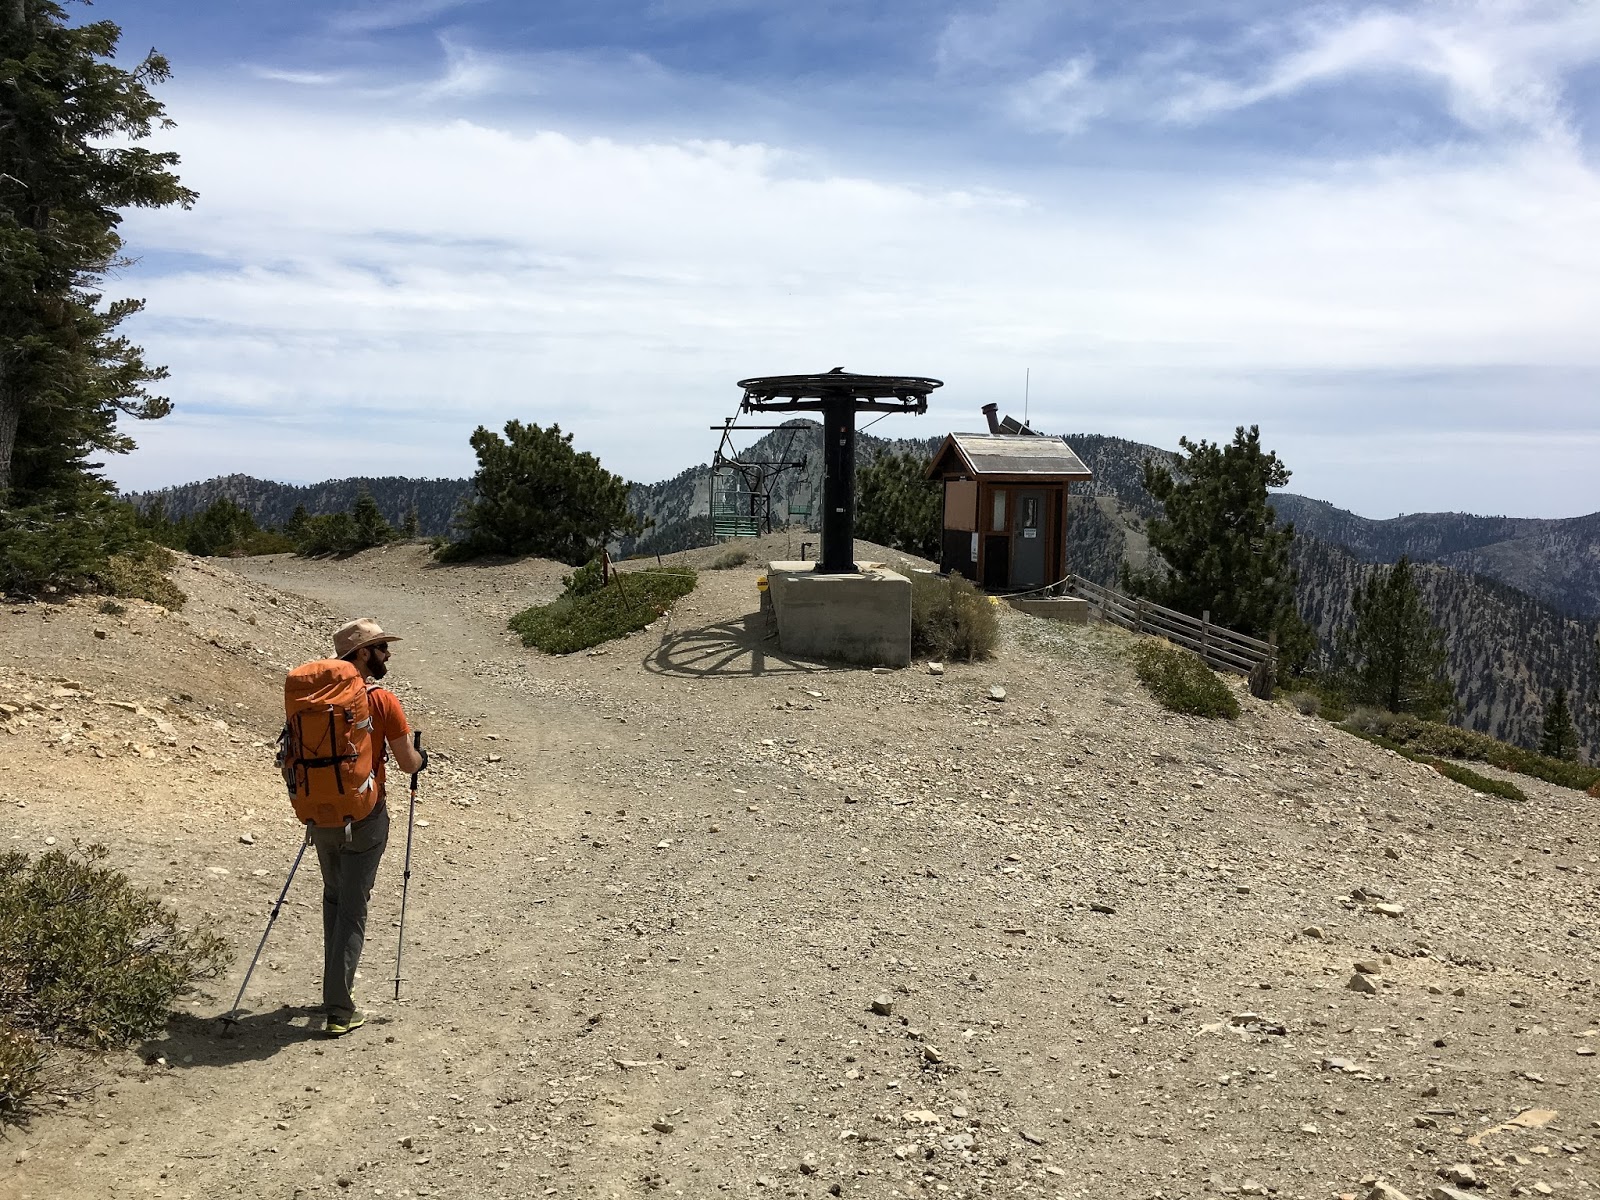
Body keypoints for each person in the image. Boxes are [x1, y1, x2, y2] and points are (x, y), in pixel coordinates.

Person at [312, 617, 426, 1036]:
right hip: (365, 815)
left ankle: (333, 987)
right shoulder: (381, 700)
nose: (387, 654)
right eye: (380, 648)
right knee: (354, 907)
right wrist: (422, 759)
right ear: (361, 654)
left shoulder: (317, 698)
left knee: (333, 898)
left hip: (318, 813)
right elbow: (406, 762)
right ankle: (339, 1008)